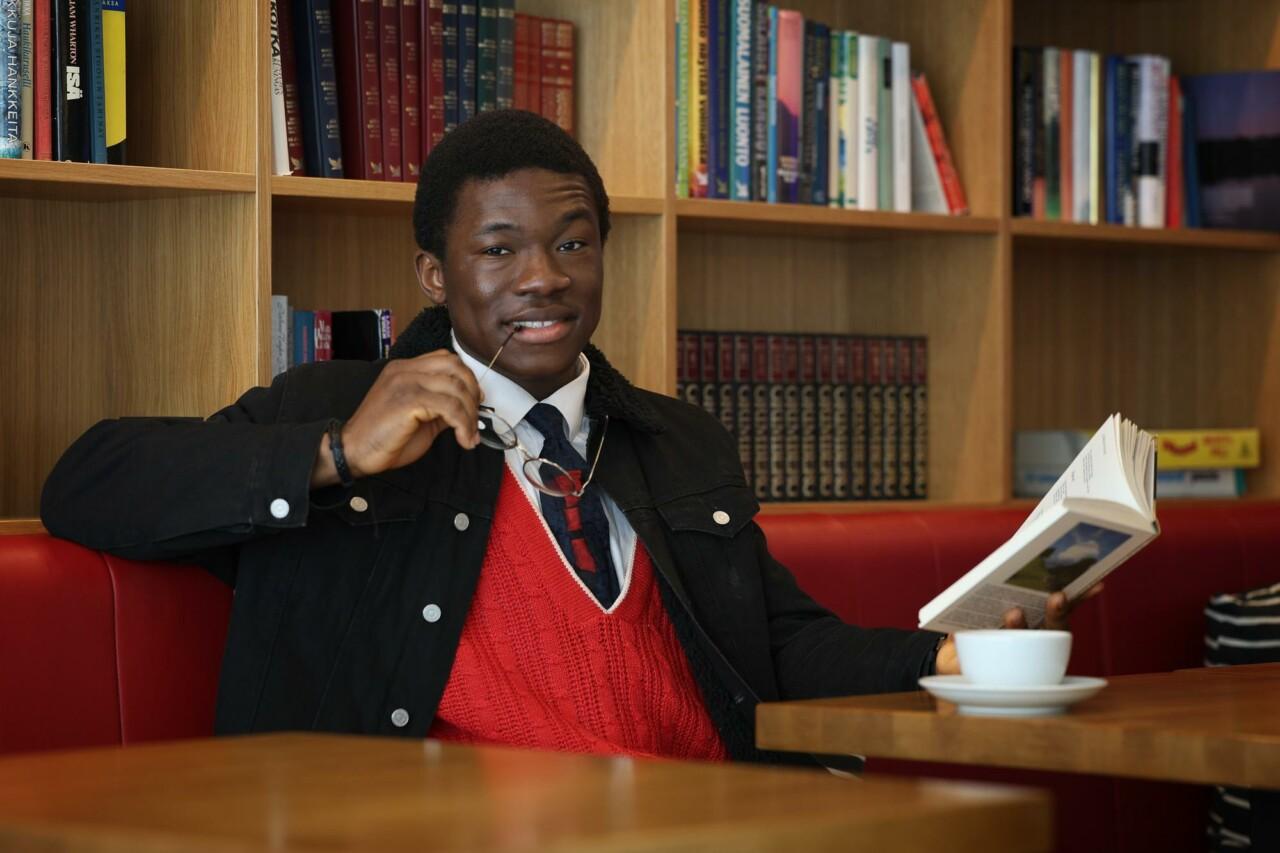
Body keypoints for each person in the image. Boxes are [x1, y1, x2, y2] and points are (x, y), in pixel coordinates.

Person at [42, 110, 1081, 767]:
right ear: (433, 275)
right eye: (498, 248)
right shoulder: (332, 409)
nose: (543, 275)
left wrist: (953, 653)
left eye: (572, 241)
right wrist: (336, 453)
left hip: (709, 826)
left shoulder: (675, 441)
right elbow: (87, 482)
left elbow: (776, 648)